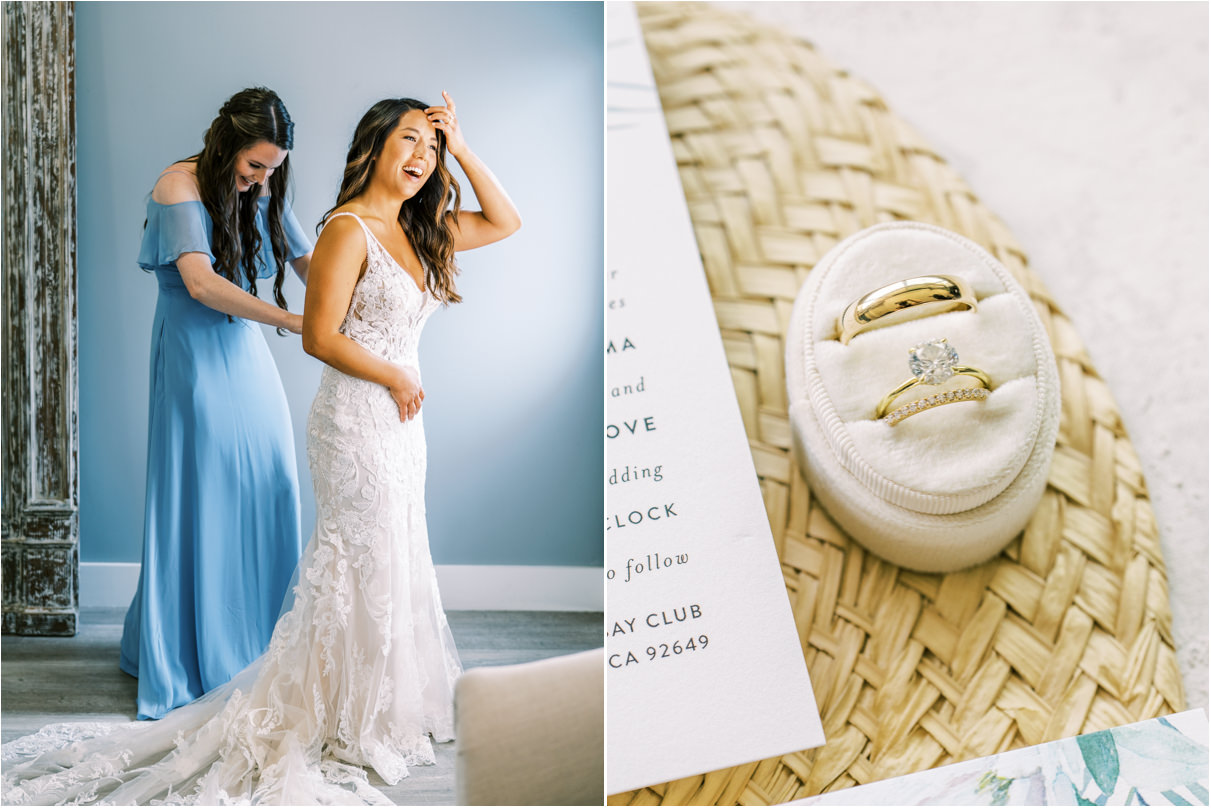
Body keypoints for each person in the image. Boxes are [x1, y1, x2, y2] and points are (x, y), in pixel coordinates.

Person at [1, 93, 521, 805]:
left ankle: (325, 681)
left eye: (428, 150)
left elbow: (480, 228)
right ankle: (226, 667)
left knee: (335, 527)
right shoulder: (206, 191)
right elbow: (231, 293)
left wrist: (454, 147)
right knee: (274, 524)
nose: (259, 181)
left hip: (351, 397)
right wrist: (331, 335)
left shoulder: (391, 221)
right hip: (255, 371)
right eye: (409, 142)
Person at [120, 87, 311, 721]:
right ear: (227, 144)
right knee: (206, 490)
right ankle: (199, 651)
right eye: (254, 165)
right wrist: (291, 319)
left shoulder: (262, 188)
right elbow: (201, 283)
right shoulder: (177, 186)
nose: (262, 179)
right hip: (193, 361)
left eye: (272, 169)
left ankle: (264, 645)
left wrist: (370, 299)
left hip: (245, 354)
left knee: (269, 481)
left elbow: (311, 261)